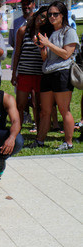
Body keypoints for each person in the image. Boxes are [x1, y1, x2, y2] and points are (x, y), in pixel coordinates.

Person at [28, 1, 78, 151]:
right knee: (45, 110)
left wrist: (48, 44)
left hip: (62, 73)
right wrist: (42, 47)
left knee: (64, 109)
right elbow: (46, 58)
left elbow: (66, 54)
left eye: (55, 14)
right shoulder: (48, 33)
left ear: (63, 15)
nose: (51, 17)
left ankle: (68, 143)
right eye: (49, 14)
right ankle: (40, 140)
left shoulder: (69, 31)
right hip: (48, 72)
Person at [11, 7, 48, 130]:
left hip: (39, 74)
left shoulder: (46, 34)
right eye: (41, 16)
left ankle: (38, 130)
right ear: (37, 14)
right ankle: (17, 131)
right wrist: (13, 73)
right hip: (24, 73)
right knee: (20, 105)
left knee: (38, 105)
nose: (42, 20)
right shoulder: (23, 30)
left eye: (45, 18)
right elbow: (17, 53)